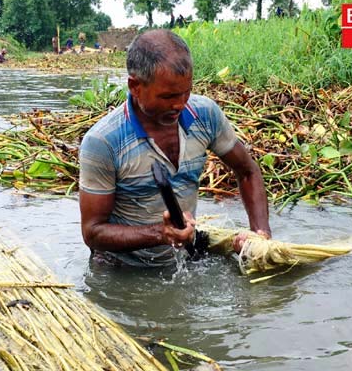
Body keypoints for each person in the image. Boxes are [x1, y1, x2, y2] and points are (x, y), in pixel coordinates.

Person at [78, 30, 271, 267]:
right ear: (135, 86)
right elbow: (92, 232)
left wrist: (261, 235)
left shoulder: (205, 115)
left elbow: (248, 171)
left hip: (184, 259)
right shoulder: (103, 141)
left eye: (186, 92)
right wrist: (161, 233)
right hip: (122, 269)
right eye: (168, 96)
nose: (180, 104)